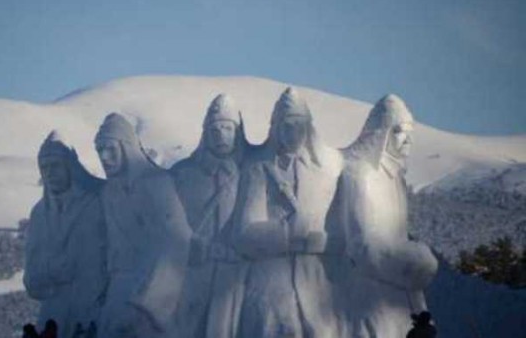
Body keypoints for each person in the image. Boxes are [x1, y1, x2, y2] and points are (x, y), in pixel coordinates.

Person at [233, 87, 343, 338]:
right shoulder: (258, 169)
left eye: (297, 124)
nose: (291, 131)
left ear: (308, 126)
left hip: (317, 286)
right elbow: (244, 233)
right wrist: (289, 233)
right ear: (275, 127)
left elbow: (342, 235)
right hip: (270, 284)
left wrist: (321, 241)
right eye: (285, 124)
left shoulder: (325, 173)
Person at [338, 95, 438, 337]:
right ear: (382, 133)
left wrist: (420, 308)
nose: (408, 139)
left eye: (410, 132)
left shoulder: (395, 180)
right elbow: (363, 245)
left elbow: (398, 240)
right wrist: (417, 262)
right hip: (369, 300)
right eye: (399, 131)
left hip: (403, 304)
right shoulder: (360, 174)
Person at [95, 113, 192, 338]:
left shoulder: (156, 184)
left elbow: (178, 242)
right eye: (99, 150)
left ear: (126, 147)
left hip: (148, 295)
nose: (104, 157)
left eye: (110, 149)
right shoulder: (109, 192)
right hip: (117, 292)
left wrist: (149, 305)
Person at [169, 94, 251, 338]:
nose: (220, 134)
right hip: (193, 271)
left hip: (234, 275)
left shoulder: (252, 172)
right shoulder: (182, 174)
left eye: (227, 128)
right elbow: (169, 222)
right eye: (214, 128)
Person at [24, 132, 107, 338]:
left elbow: (103, 263)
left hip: (93, 314)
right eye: (44, 168)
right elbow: (32, 281)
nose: (49, 173)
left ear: (69, 166)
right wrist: (54, 269)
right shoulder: (39, 214)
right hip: (53, 317)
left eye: (55, 165)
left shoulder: (96, 203)